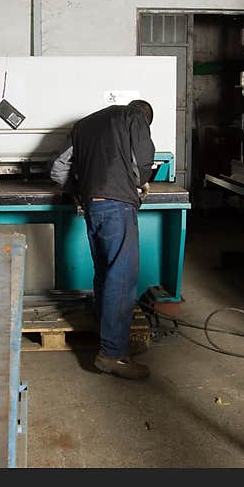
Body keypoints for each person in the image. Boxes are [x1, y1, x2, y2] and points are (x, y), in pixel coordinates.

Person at [51, 99, 155, 380]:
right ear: (145, 115)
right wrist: (140, 182)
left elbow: (58, 168)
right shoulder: (135, 116)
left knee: (106, 272)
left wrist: (83, 188)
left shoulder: (84, 124)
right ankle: (113, 355)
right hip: (117, 205)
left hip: (92, 204)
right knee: (121, 278)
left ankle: (107, 331)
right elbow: (142, 161)